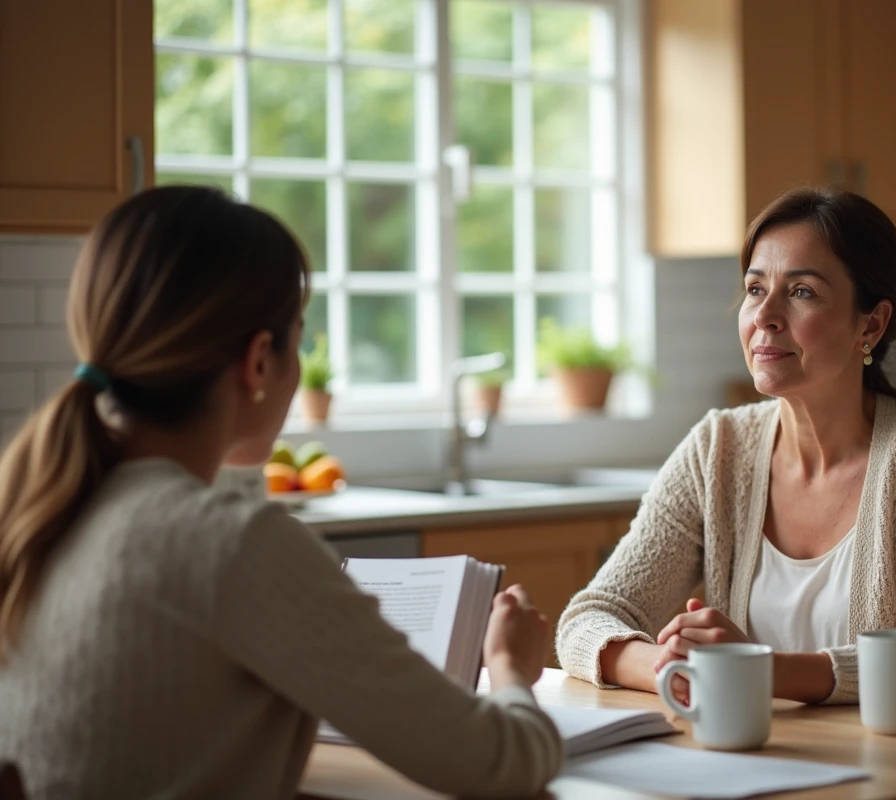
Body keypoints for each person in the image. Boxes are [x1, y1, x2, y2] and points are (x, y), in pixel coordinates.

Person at [0, 186, 563, 799]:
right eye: (298, 337)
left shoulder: (36, 507)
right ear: (259, 361)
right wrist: (511, 664)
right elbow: (500, 764)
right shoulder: (234, 542)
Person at [557, 187, 896, 710]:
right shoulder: (717, 449)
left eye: (802, 292)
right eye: (755, 289)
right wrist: (669, 666)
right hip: (773, 764)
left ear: (872, 323)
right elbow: (589, 617)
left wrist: (761, 670)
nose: (765, 316)